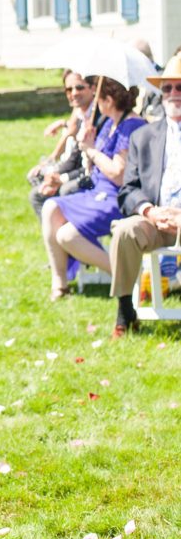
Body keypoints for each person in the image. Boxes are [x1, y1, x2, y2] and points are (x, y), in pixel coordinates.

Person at [40, 77, 145, 301]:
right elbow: (94, 162)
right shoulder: (109, 123)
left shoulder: (132, 126)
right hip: (96, 190)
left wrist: (91, 151)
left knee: (67, 235)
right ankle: (60, 284)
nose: (96, 101)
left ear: (109, 99)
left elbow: (118, 174)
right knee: (50, 207)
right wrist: (86, 147)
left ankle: (129, 276)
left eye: (99, 96)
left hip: (118, 198)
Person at [109, 55, 181, 337]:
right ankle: (125, 310)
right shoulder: (144, 137)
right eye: (167, 89)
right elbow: (127, 190)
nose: (173, 94)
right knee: (126, 230)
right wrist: (150, 211)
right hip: (157, 221)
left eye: (180, 88)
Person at [27, 72, 102, 220]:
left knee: (64, 190)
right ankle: (57, 234)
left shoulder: (96, 117)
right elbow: (74, 152)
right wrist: (52, 168)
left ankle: (66, 233)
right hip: (75, 168)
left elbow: (90, 164)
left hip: (92, 177)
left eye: (79, 88)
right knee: (36, 182)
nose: (74, 93)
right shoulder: (81, 114)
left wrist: (62, 178)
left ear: (93, 89)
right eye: (69, 89)